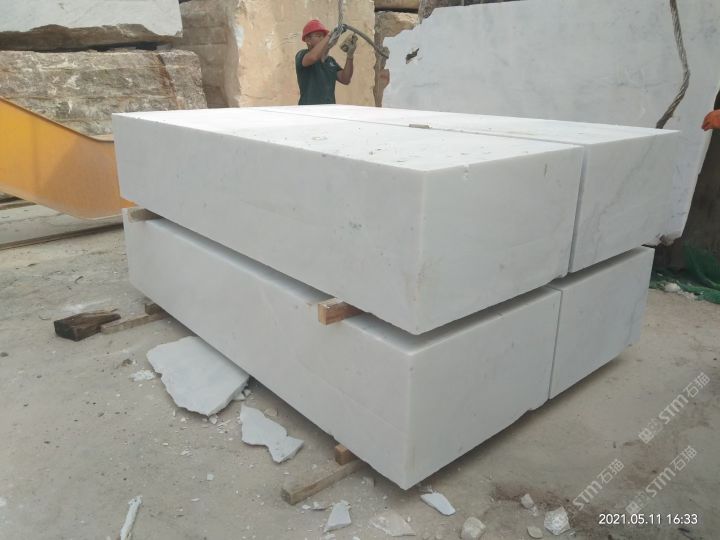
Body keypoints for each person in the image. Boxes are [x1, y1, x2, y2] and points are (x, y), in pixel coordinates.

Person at [295, 19, 356, 106]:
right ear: (308, 40)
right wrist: (330, 35)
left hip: (328, 111)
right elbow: (313, 57)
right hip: (308, 111)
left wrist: (350, 56)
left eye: (323, 36)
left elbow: (345, 79)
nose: (323, 38)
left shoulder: (330, 61)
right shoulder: (302, 55)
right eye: (318, 36)